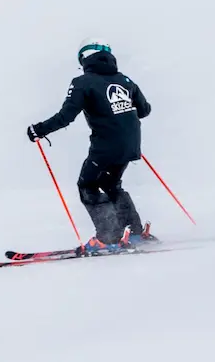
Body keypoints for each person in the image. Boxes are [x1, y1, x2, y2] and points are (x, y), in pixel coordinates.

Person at [26, 37, 157, 254]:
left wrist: (38, 129)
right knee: (111, 184)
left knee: (87, 185)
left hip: (105, 147)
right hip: (130, 145)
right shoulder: (125, 80)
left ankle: (108, 237)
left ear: (84, 59)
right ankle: (134, 232)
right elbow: (144, 110)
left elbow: (65, 116)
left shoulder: (83, 83)